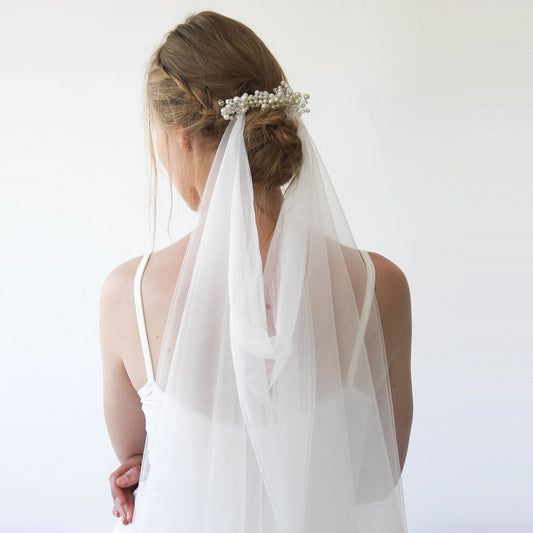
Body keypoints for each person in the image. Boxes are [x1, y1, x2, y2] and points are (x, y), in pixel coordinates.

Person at [100, 10, 413, 532]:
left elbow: (140, 467)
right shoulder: (381, 288)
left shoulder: (126, 297)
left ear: (179, 136)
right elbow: (376, 479)